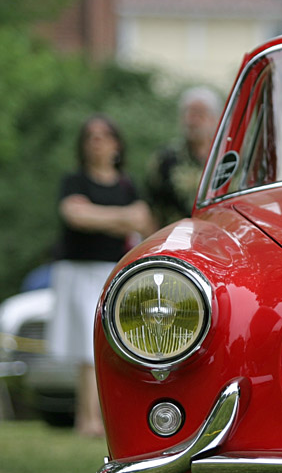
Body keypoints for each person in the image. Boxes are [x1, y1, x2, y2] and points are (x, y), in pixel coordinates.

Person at [51, 114, 155, 437]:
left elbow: (146, 224)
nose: (97, 141)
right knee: (86, 346)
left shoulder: (127, 184)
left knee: (116, 344)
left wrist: (101, 216)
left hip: (114, 272)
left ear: (116, 143)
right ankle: (88, 418)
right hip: (79, 270)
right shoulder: (75, 181)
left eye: (103, 135)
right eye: (91, 136)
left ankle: (107, 417)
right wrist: (123, 218)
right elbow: (76, 216)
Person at [147, 86, 221, 226]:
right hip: (175, 238)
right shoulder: (165, 158)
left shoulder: (230, 159)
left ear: (215, 119)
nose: (193, 120)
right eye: (189, 113)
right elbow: (151, 205)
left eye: (200, 114)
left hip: (219, 240)